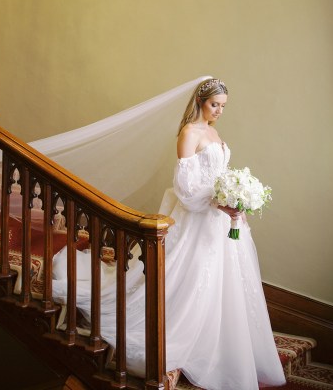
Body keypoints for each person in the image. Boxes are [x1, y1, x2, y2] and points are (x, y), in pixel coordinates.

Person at [52, 78, 286, 389]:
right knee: (189, 278)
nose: (219, 111)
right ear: (200, 101)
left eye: (223, 106)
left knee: (222, 279)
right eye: (214, 104)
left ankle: (217, 339)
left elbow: (218, 176)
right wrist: (220, 201)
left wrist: (236, 200)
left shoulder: (215, 132)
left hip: (219, 220)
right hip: (198, 217)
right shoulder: (189, 132)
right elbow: (185, 187)